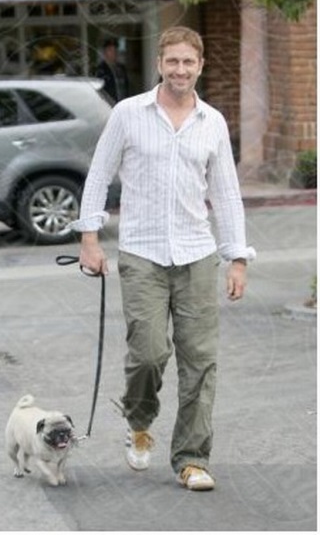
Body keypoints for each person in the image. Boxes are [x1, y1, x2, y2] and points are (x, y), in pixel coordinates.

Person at [70, 26, 255, 491]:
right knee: (149, 354)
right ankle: (139, 420)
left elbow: (227, 195)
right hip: (142, 254)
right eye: (172, 61)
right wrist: (88, 238)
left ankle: (192, 458)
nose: (180, 70)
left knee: (200, 361)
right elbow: (98, 174)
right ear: (160, 64)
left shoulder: (212, 122)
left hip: (197, 254)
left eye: (188, 62)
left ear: (200, 66)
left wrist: (237, 258)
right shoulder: (129, 115)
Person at [95, 38, 129, 103]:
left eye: (115, 50)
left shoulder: (121, 68)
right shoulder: (101, 69)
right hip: (108, 104)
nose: (113, 53)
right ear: (105, 52)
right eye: (110, 50)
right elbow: (100, 89)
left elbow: (126, 87)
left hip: (122, 103)